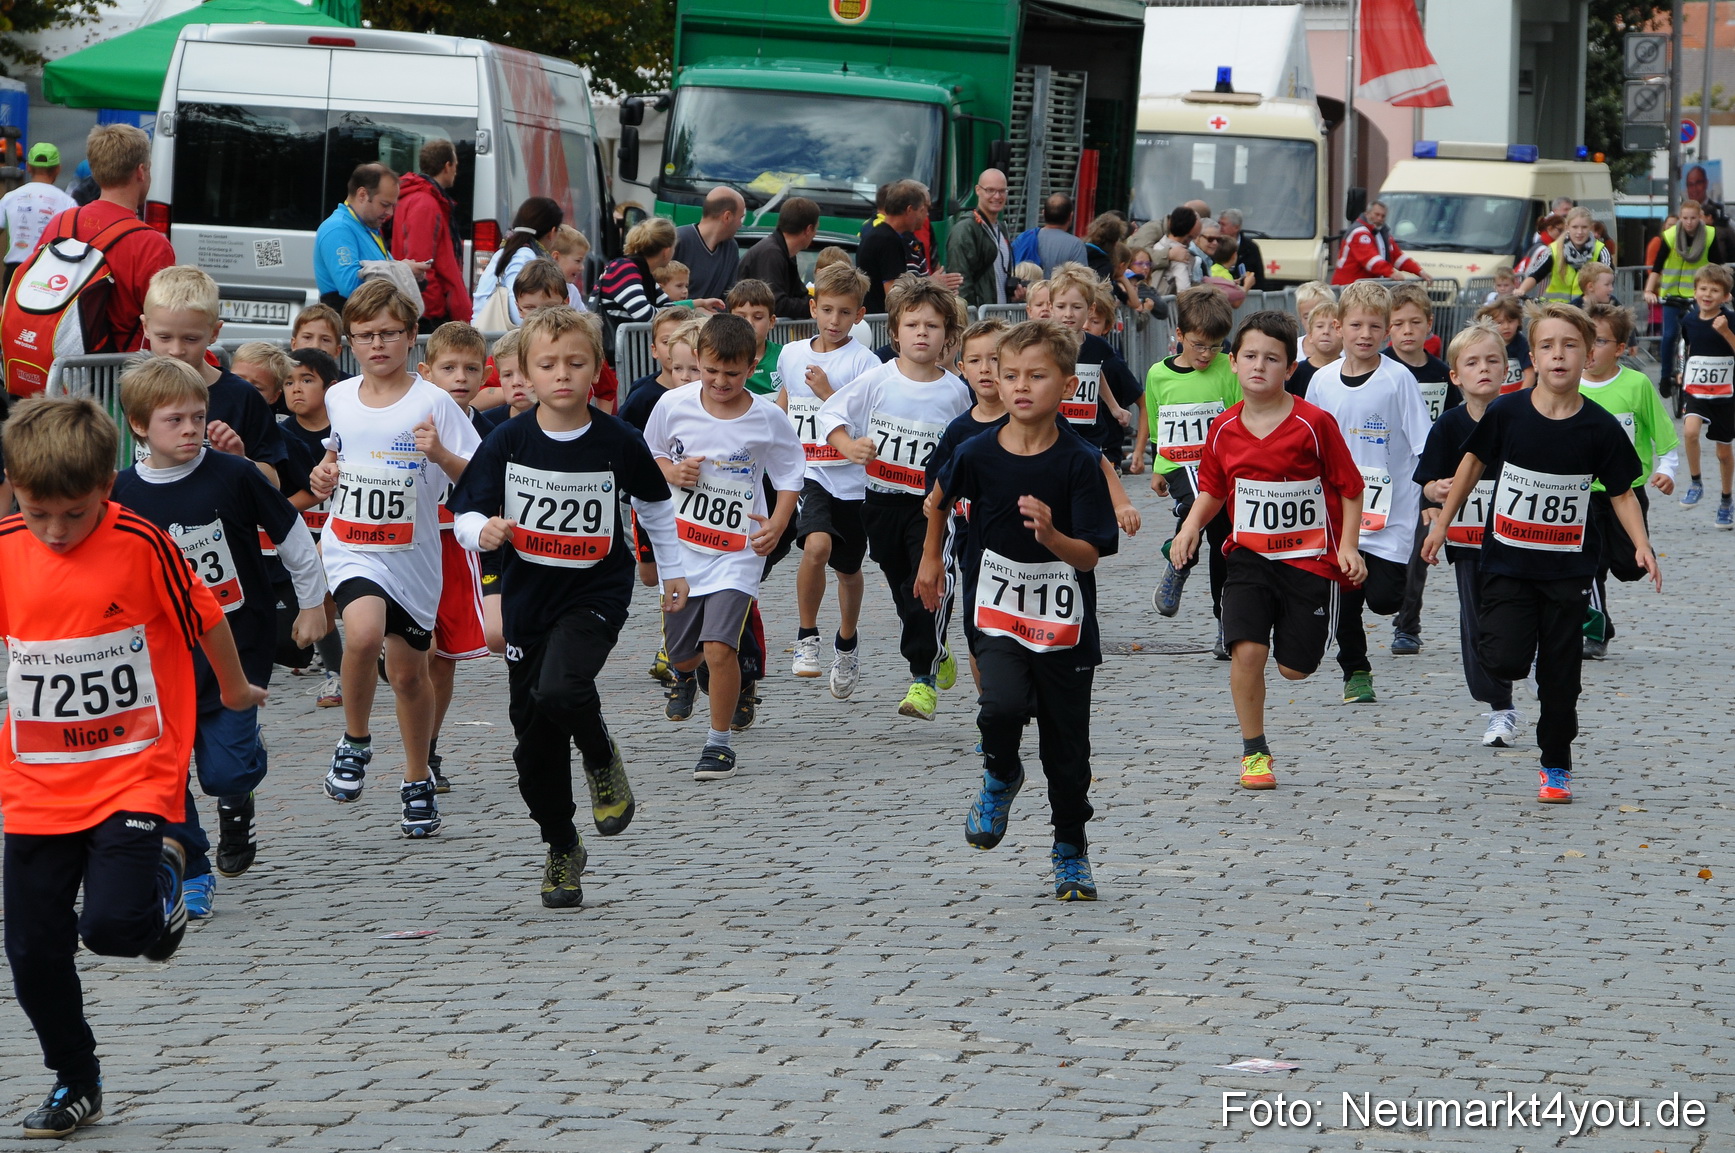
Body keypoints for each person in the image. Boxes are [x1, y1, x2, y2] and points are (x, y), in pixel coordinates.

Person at [0, 396, 265, 1139]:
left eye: (74, 514)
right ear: (15, 487)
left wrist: (238, 690)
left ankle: (164, 875)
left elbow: (205, 615)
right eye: (37, 510)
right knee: (31, 948)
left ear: (105, 490)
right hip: (37, 780)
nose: (55, 531)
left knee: (114, 929)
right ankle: (74, 1079)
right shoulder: (7, 545)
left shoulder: (142, 542)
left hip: (133, 767)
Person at [451, 306, 685, 908]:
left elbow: (656, 506)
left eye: (575, 363)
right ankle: (562, 847)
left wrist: (673, 574)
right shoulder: (508, 439)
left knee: (563, 688)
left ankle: (602, 755)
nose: (562, 375)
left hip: (594, 591)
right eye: (548, 364)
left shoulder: (617, 440)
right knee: (534, 751)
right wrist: (484, 535)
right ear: (525, 373)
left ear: (596, 370)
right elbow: (467, 510)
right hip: (529, 596)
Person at [112, 357, 326, 917]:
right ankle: (193, 867)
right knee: (164, 770)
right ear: (138, 425)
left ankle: (238, 791)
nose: (190, 431)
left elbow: (292, 534)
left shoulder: (234, 475)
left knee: (225, 770)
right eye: (174, 421)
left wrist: (312, 605)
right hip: (157, 657)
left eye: (197, 418)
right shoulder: (119, 494)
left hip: (237, 642)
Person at [1422, 302, 1659, 805]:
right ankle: (1514, 664)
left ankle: (1555, 765)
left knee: (1560, 680)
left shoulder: (1598, 427)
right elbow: (1470, 465)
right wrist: (1442, 524)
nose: (1559, 355)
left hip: (1567, 569)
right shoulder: (1508, 412)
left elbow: (1620, 492)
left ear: (1589, 353)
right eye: (1548, 346)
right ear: (1531, 356)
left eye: (1570, 345)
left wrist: (1642, 545)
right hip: (1506, 562)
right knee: (1503, 658)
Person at [915, 319, 1118, 901]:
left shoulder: (1078, 461)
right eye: (1010, 376)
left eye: (1037, 375)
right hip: (996, 609)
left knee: (1066, 747)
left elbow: (1091, 555)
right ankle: (1001, 773)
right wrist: (931, 561)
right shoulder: (977, 451)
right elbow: (937, 502)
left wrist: (1053, 536)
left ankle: (1070, 850)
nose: (1021, 386)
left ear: (1067, 386)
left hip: (1064, 623)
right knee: (1000, 704)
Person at [307, 280, 482, 837]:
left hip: (414, 554)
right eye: (364, 336)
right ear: (349, 343)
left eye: (387, 333)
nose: (376, 344)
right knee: (360, 634)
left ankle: (416, 777)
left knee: (409, 675)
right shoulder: (339, 396)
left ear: (411, 337)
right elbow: (333, 458)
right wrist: (323, 476)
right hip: (351, 542)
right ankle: (356, 738)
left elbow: (477, 480)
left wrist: (440, 454)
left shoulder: (434, 401)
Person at [1170, 311, 1366, 791]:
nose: (1260, 366)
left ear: (1290, 368)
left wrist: (1350, 547)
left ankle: (1302, 635)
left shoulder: (1314, 423)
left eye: (1272, 358)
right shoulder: (1222, 429)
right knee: (1248, 650)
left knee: (1294, 669)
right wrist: (1190, 527)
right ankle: (1254, 751)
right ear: (1233, 363)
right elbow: (1214, 489)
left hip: (1309, 560)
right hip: (1249, 557)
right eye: (1251, 356)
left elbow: (1350, 487)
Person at [641, 314, 804, 781]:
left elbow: (791, 471)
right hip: (683, 548)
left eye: (732, 374)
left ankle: (719, 744)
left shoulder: (767, 417)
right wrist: (670, 472)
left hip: (738, 548)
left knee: (718, 647)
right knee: (684, 656)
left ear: (751, 364)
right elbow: (648, 452)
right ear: (698, 359)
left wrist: (777, 522)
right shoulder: (673, 405)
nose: (720, 382)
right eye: (711, 371)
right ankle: (689, 677)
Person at [819, 276, 970, 720]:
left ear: (948, 337)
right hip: (880, 504)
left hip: (930, 508)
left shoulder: (956, 392)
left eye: (932, 326)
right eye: (912, 325)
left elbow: (972, 443)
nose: (922, 333)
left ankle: (922, 679)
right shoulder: (876, 380)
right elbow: (830, 412)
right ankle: (935, 652)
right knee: (903, 592)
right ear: (895, 333)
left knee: (924, 588)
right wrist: (848, 446)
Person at [1306, 280, 1430, 704]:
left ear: (1387, 332)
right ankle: (1355, 671)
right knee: (1348, 595)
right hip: (1339, 510)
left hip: (1391, 512)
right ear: (1338, 327)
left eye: (1375, 327)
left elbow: (1423, 443)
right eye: (1356, 325)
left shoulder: (1399, 380)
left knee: (1384, 598)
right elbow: (1307, 438)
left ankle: (1393, 614)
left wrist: (1433, 489)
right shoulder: (1322, 381)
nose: (1364, 335)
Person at [2, 124, 173, 394]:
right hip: (119, 383)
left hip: (60, 375)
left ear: (94, 171)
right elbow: (167, 326)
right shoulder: (151, 244)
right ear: (141, 171)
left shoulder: (61, 222)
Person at [1413, 322, 1520, 746]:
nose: (1483, 370)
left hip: (1519, 539)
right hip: (1468, 542)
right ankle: (1500, 708)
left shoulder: (1523, 415)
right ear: (1455, 376)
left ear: (1507, 369)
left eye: (1492, 361)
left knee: (1515, 614)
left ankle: (1525, 661)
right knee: (1476, 622)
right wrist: (1435, 491)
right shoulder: (1448, 426)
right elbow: (1424, 480)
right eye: (1472, 363)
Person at [778, 262, 882, 691]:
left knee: (849, 570)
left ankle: (847, 640)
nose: (834, 321)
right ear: (813, 308)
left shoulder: (866, 362)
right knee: (816, 546)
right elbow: (784, 402)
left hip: (853, 481)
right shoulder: (791, 354)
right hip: (811, 472)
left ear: (859, 315)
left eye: (845, 312)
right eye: (827, 310)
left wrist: (827, 394)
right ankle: (806, 637)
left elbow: (868, 424)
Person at [415, 322, 493, 795]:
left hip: (455, 545)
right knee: (418, 651)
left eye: (469, 369)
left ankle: (429, 746)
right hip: (408, 543)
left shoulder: (485, 429)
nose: (459, 377)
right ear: (426, 372)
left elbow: (483, 483)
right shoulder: (408, 415)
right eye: (448, 368)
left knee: (443, 660)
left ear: (484, 376)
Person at [1578, 303, 1678, 659]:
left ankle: (1639, 556)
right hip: (1582, 494)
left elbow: (1664, 437)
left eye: (1599, 341)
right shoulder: (1567, 384)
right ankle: (1596, 628)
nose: (1589, 349)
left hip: (1627, 493)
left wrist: (1667, 469)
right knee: (1589, 563)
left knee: (1628, 566)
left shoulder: (1636, 385)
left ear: (1620, 348)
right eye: (1584, 339)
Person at [1144, 287, 1240, 643]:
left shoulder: (1227, 371)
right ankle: (1180, 557)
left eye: (1216, 345)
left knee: (1222, 542)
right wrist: (1157, 466)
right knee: (1201, 510)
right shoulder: (1158, 374)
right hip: (1178, 465)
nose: (1207, 354)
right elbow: (1158, 423)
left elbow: (1238, 419)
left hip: (1218, 466)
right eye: (1199, 344)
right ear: (1179, 335)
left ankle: (1222, 618)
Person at [138, 266, 289, 487]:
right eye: (164, 337)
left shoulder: (243, 396)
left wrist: (239, 460)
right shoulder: (136, 389)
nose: (176, 350)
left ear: (215, 333)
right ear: (145, 327)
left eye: (190, 339)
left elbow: (274, 483)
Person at [1382, 281, 1460, 656]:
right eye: (1398, 323)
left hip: (1426, 480)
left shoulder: (1443, 375)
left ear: (1429, 324)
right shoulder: (1378, 369)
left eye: (1415, 322)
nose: (1407, 331)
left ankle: (1407, 624)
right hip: (1383, 475)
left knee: (1419, 552)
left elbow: (1457, 423)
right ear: (1387, 328)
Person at [282, 346, 347, 706]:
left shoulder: (346, 427)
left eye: (307, 380)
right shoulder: (279, 434)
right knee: (319, 602)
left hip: (349, 529)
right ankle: (335, 675)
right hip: (304, 534)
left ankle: (384, 643)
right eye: (289, 381)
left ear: (331, 388)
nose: (296, 388)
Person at [1644, 198, 1726, 395]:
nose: (1689, 222)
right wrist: (1648, 290)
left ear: (1700, 218)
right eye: (1685, 218)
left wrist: (1724, 291)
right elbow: (1657, 267)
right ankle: (1665, 377)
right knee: (1670, 334)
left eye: (1693, 218)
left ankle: (1699, 371)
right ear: (1680, 218)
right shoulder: (1670, 236)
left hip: (1699, 295)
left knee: (1700, 331)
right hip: (1671, 293)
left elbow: (1718, 266)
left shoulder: (1709, 235)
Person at [1674, 262, 1735, 519]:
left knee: (1723, 452)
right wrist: (1682, 370)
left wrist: (1726, 332)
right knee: (1689, 431)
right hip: (1696, 389)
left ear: (1726, 296)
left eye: (1714, 290)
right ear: (1695, 291)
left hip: (1724, 394)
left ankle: (1725, 500)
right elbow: (1689, 347)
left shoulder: (1730, 319)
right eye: (1703, 289)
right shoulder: (1689, 320)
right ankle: (1696, 482)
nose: (1707, 295)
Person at [390, 138, 471, 329]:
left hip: (420, 304)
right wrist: (435, 311)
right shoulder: (426, 202)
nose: (456, 171)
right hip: (427, 311)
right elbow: (422, 263)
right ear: (447, 166)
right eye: (455, 165)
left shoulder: (417, 197)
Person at [313, 164, 417, 312]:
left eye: (393, 206)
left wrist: (409, 274)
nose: (390, 213)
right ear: (362, 195)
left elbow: (379, 275)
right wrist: (402, 270)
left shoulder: (367, 228)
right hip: (352, 326)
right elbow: (351, 287)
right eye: (385, 204)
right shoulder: (338, 228)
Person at [472, 197, 563, 327]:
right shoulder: (524, 256)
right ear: (552, 231)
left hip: (488, 333)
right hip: (499, 340)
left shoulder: (510, 251)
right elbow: (518, 312)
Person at [595, 217, 680, 355]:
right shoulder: (625, 269)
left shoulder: (642, 272)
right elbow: (644, 313)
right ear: (666, 251)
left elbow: (670, 309)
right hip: (616, 357)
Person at [0, 142, 75, 288]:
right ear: (58, 169)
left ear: (28, 167)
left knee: (10, 311)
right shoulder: (69, 203)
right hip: (49, 272)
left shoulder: (9, 198)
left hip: (14, 271)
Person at [857, 180, 939, 314]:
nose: (923, 217)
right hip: (881, 323)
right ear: (909, 210)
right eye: (921, 211)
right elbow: (895, 293)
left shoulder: (880, 235)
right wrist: (932, 283)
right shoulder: (888, 240)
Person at [737, 198, 819, 318]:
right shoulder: (771, 254)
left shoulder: (784, 252)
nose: (815, 234)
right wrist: (818, 308)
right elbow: (776, 305)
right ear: (808, 229)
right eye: (816, 229)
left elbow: (799, 294)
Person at [946, 168, 1012, 308]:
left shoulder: (1001, 228)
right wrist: (971, 320)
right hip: (981, 323)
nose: (997, 196)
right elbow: (960, 284)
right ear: (977, 190)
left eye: (1002, 191)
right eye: (990, 190)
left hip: (1001, 318)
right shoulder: (965, 229)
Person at [1515, 207, 1611, 301]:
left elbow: (1608, 278)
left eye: (1584, 227)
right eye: (1575, 227)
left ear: (1590, 228)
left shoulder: (1601, 251)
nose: (1579, 232)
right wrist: (1521, 290)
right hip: (1557, 310)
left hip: (1587, 310)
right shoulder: (1554, 249)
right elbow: (1535, 274)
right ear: (1567, 227)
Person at [1331, 200, 1429, 285]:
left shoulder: (1382, 233)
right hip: (1349, 286)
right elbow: (1370, 260)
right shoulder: (1359, 233)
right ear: (1367, 214)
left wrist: (1419, 271)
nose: (1379, 219)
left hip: (1365, 288)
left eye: (1383, 216)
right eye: (1376, 214)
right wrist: (1391, 273)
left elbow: (1397, 257)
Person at [674, 186, 746, 301]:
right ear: (727, 217)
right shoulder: (677, 240)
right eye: (741, 218)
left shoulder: (731, 248)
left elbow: (729, 298)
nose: (741, 224)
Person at [727, 279, 782, 396]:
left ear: (771, 321)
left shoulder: (785, 357)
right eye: (741, 317)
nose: (749, 323)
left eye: (757, 317)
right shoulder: (720, 359)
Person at [1477, 296, 1533, 394]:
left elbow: (1530, 374)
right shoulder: (1489, 343)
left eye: (1510, 321)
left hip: (1517, 394)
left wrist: (1521, 397)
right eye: (1500, 323)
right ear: (1490, 323)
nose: (1506, 327)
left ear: (1519, 321)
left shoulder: (1521, 344)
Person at [1288, 300, 1342, 398]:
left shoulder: (1348, 370)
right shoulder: (1297, 372)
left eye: (1333, 327)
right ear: (1310, 335)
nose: (1325, 332)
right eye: (1320, 326)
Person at [1034, 194, 1088, 276]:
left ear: (1043, 213)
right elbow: (1081, 281)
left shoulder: (1025, 238)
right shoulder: (1076, 245)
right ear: (1071, 216)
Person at [1219, 209, 1269, 291]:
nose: (1220, 228)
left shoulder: (1250, 248)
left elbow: (1259, 278)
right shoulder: (1215, 244)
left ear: (1236, 227)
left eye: (1223, 225)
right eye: (1219, 223)